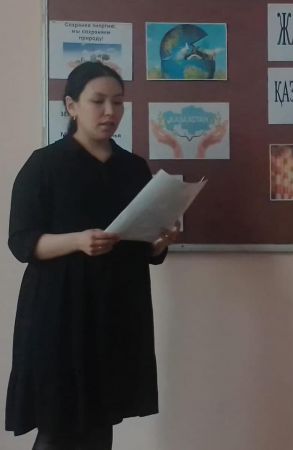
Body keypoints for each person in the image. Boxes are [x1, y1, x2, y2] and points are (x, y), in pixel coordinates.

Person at [6, 61, 180, 450]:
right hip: (60, 309)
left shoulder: (133, 168)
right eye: (98, 101)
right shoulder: (44, 165)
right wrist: (77, 241)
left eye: (117, 102)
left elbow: (142, 246)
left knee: (102, 421)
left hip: (117, 308)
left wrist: (160, 242)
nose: (109, 112)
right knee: (57, 425)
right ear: (71, 106)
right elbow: (21, 242)